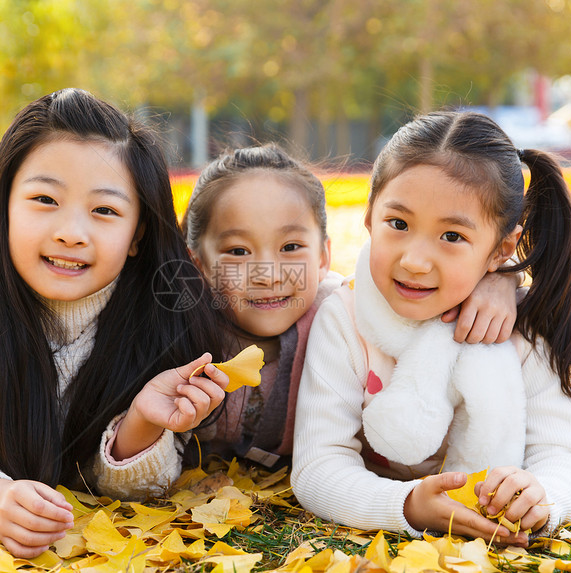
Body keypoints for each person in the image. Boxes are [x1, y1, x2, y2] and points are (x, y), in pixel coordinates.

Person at [0, 88, 230, 558]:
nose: (71, 233)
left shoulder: (160, 313)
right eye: (44, 198)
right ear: (1, 204)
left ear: (138, 234)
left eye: (105, 210)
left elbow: (116, 480)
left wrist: (140, 423)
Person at [291, 111, 571, 546]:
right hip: (401, 499)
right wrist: (405, 505)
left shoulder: (526, 328)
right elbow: (318, 466)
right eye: (398, 224)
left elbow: (565, 456)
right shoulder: (344, 319)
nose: (415, 261)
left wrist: (544, 496)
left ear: (502, 249)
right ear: (369, 218)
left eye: (452, 237)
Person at [179, 144, 521, 467]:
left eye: (291, 246)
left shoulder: (343, 312)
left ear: (324, 255)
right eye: (238, 252)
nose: (267, 276)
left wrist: (500, 280)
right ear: (199, 263)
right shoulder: (179, 336)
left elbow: (433, 284)